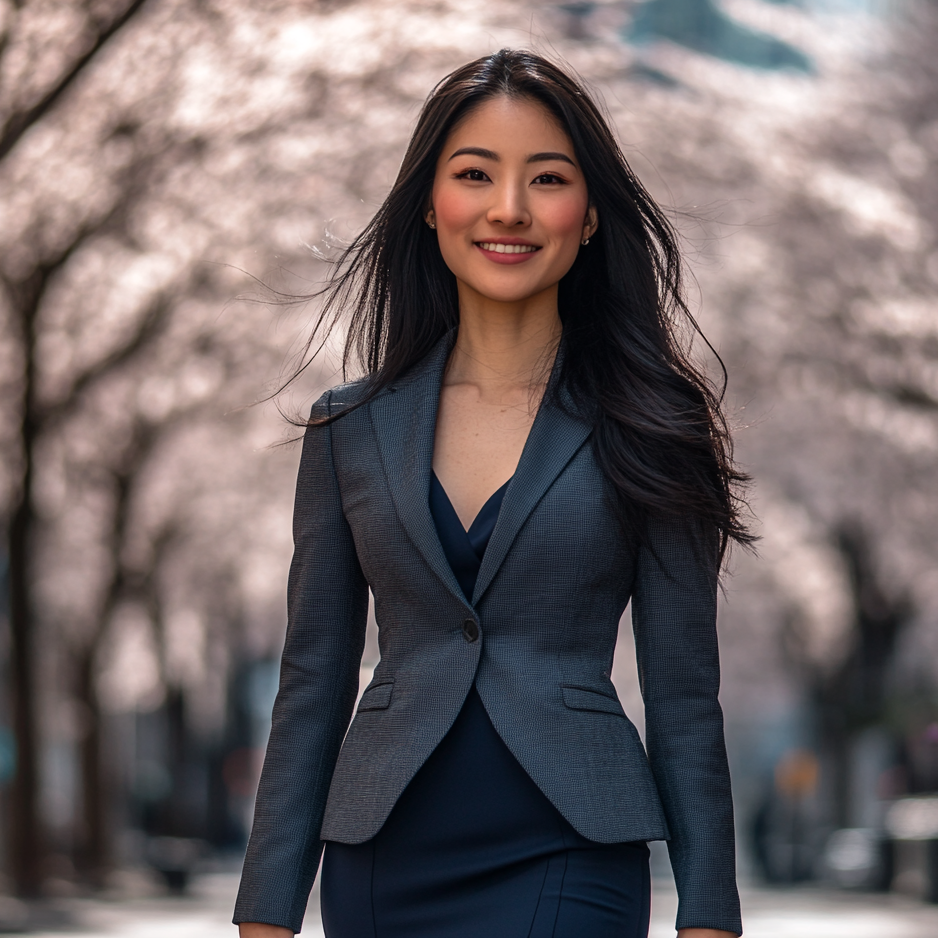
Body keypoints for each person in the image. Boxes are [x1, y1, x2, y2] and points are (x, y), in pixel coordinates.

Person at [233, 49, 750, 938]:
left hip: (572, 848)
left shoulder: (654, 423)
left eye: (546, 178)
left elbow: (682, 692)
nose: (508, 209)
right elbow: (313, 678)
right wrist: (267, 910)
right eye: (475, 174)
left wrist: (710, 911)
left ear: (588, 217)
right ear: (431, 206)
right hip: (382, 855)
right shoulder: (347, 430)